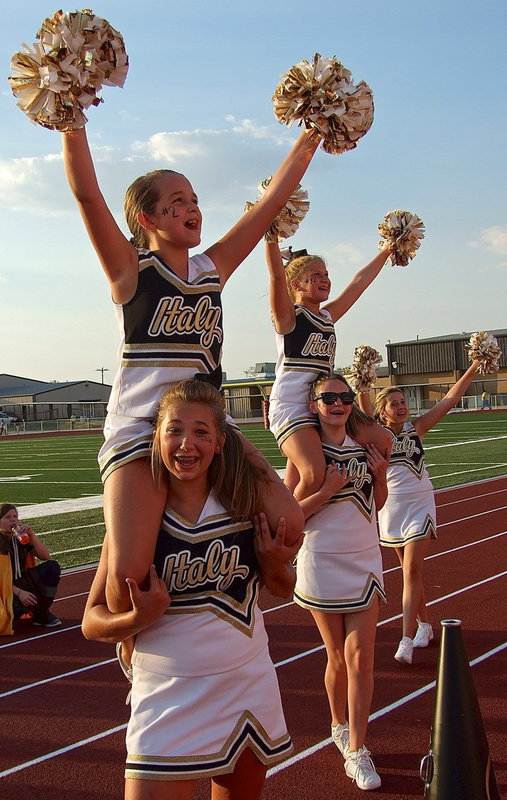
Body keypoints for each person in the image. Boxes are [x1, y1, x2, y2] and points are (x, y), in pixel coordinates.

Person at [62, 123, 321, 617]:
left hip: (206, 425)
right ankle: (118, 543)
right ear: (148, 217)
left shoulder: (211, 268)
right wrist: (72, 118)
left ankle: (235, 581)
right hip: (141, 430)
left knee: (289, 524)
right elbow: (87, 196)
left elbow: (269, 205)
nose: (192, 207)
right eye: (176, 201)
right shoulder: (130, 269)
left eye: (195, 198)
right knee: (126, 587)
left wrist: (312, 134)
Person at [82, 378, 301, 800]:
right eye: (175, 430)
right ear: (156, 438)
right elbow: (92, 622)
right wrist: (135, 619)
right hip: (167, 693)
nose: (187, 444)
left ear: (221, 442)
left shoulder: (243, 502)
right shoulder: (135, 525)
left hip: (245, 682)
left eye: (202, 432)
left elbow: (282, 588)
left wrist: (275, 563)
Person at [293, 372, 388, 791]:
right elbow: (291, 516)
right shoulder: (304, 456)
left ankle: (358, 748)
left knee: (361, 659)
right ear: (313, 404)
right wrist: (327, 488)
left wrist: (380, 476)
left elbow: (375, 505)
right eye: (328, 397)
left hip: (365, 558)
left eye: (345, 397)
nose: (339, 403)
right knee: (336, 657)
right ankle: (338, 723)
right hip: (322, 561)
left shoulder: (362, 448)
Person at [358, 361, 481, 664]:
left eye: (403, 402)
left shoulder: (418, 428)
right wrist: (362, 376)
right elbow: (361, 403)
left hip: (420, 504)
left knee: (412, 571)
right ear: (381, 411)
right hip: (390, 507)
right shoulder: (375, 434)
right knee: (408, 572)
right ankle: (424, 624)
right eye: (393, 404)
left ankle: (406, 638)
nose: (402, 407)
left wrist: (475, 365)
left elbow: (450, 399)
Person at [265, 240, 392, 500]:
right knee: (312, 474)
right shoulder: (290, 317)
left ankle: (336, 499)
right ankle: (295, 522)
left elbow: (359, 283)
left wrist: (387, 250)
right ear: (296, 285)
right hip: (294, 405)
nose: (324, 280)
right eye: (315, 276)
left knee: (383, 440)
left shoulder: (327, 317)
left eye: (326, 275)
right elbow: (277, 276)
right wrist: (271, 235)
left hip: (329, 401)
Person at [0, 503, 62, 628]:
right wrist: (19, 593)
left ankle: (41, 613)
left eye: (15, 516)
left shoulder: (20, 537)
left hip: (21, 580)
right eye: (7, 517)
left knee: (51, 567)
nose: (13, 520)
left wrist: (32, 535)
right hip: (4, 589)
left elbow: (45, 556)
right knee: (10, 617)